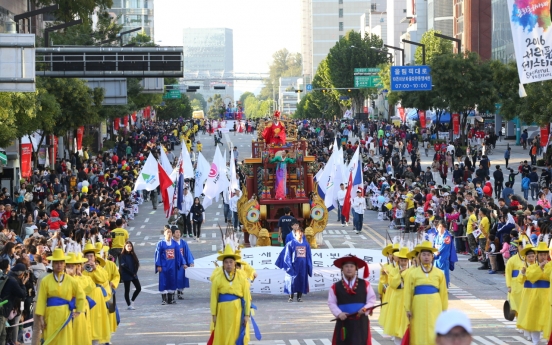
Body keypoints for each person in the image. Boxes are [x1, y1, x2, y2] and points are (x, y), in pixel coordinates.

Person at [209, 244, 258, 345]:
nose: (229, 264)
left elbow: (246, 296)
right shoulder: (218, 278)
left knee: (236, 334)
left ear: (235, 263)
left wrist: (247, 314)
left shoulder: (241, 278)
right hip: (222, 312)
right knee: (223, 334)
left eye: (231, 262)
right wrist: (214, 314)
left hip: (237, 311)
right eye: (226, 262)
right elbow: (213, 297)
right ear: (223, 264)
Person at [35, 248, 86, 345]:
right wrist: (41, 318)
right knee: (51, 339)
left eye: (61, 263)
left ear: (64, 264)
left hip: (65, 314)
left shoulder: (71, 280)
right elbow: (41, 299)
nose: (59, 265)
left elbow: (80, 294)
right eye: (56, 263)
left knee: (65, 340)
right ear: (52, 264)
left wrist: (79, 310)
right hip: (50, 315)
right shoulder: (45, 280)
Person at [404, 240, 448, 345]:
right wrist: (407, 308)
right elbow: (408, 291)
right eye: (423, 254)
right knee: (419, 328)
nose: (426, 257)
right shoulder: (413, 273)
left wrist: (444, 309)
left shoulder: (439, 273)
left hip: (435, 304)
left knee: (434, 327)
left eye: (428, 255)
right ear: (419, 257)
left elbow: (443, 293)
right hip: (418, 305)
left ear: (432, 257)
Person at [327, 255, 376, 345]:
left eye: (351, 266)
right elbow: (331, 303)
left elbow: (371, 300)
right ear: (342, 269)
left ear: (356, 269)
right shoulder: (335, 286)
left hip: (361, 321)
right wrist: (339, 313)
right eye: (346, 266)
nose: (349, 269)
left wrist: (364, 309)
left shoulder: (365, 284)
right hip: (343, 321)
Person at [516, 242, 551, 344]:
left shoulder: (550, 266)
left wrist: (546, 267)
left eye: (545, 254)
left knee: (547, 318)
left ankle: (548, 339)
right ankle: (535, 341)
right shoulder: (532, 267)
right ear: (538, 255)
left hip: (547, 296)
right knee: (534, 319)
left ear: (548, 255)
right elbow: (531, 278)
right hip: (535, 296)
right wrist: (540, 267)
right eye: (541, 255)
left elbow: (550, 277)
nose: (543, 257)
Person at [82, 241, 112, 345]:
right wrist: (82, 268)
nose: (89, 258)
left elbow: (104, 279)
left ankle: (97, 340)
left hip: (97, 298)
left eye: (91, 256)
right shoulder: (81, 269)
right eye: (87, 256)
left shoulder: (99, 269)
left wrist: (95, 269)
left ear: (95, 258)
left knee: (97, 320)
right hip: (85, 298)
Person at [275, 226, 313, 302]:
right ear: (296, 234)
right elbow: (287, 256)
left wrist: (309, 267)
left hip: (303, 266)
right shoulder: (291, 243)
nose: (301, 234)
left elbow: (309, 257)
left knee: (301, 280)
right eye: (299, 233)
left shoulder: (306, 244)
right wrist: (289, 266)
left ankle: (299, 297)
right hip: (293, 266)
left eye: (302, 233)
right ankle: (291, 297)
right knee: (291, 281)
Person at [64, 252, 95, 345]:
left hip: (78, 310)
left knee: (80, 335)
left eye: (73, 266)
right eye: (68, 266)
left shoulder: (81, 278)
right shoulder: (61, 279)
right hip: (64, 311)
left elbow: (88, 288)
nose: (70, 269)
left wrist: (80, 275)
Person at [382, 247, 410, 345]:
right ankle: (397, 340)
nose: (403, 262)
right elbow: (393, 284)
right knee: (396, 319)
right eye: (401, 260)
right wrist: (399, 275)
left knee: (406, 320)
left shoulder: (411, 271)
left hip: (406, 297)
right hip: (396, 296)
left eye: (405, 260)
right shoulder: (394, 271)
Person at [155, 227, 185, 305]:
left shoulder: (175, 244)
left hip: (172, 266)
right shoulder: (160, 243)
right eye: (168, 232)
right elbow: (157, 255)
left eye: (170, 232)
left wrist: (182, 263)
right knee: (163, 281)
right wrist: (158, 265)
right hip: (164, 266)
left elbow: (179, 255)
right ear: (164, 233)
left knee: (172, 280)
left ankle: (171, 299)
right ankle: (164, 299)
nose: (169, 233)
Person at [172, 227, 195, 300]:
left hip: (183, 264)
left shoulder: (183, 243)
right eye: (176, 232)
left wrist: (190, 262)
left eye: (179, 232)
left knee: (181, 278)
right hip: (174, 264)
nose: (178, 234)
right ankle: (171, 293)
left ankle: (179, 292)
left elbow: (188, 253)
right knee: (173, 278)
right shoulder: (171, 243)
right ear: (173, 234)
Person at [119, 240, 141, 310]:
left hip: (134, 274)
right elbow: (123, 266)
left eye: (130, 246)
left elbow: (137, 263)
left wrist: (135, 272)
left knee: (138, 288)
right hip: (127, 274)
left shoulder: (133, 254)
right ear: (125, 247)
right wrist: (132, 273)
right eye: (128, 246)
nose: (129, 247)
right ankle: (129, 305)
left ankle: (132, 301)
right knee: (127, 290)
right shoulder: (122, 255)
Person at [433, 220, 456, 287]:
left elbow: (442, 248)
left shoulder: (447, 237)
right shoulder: (437, 236)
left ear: (444, 228)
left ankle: (445, 287)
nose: (439, 228)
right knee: (435, 273)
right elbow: (434, 245)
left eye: (441, 227)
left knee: (444, 274)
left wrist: (435, 252)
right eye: (438, 227)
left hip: (443, 258)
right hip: (436, 258)